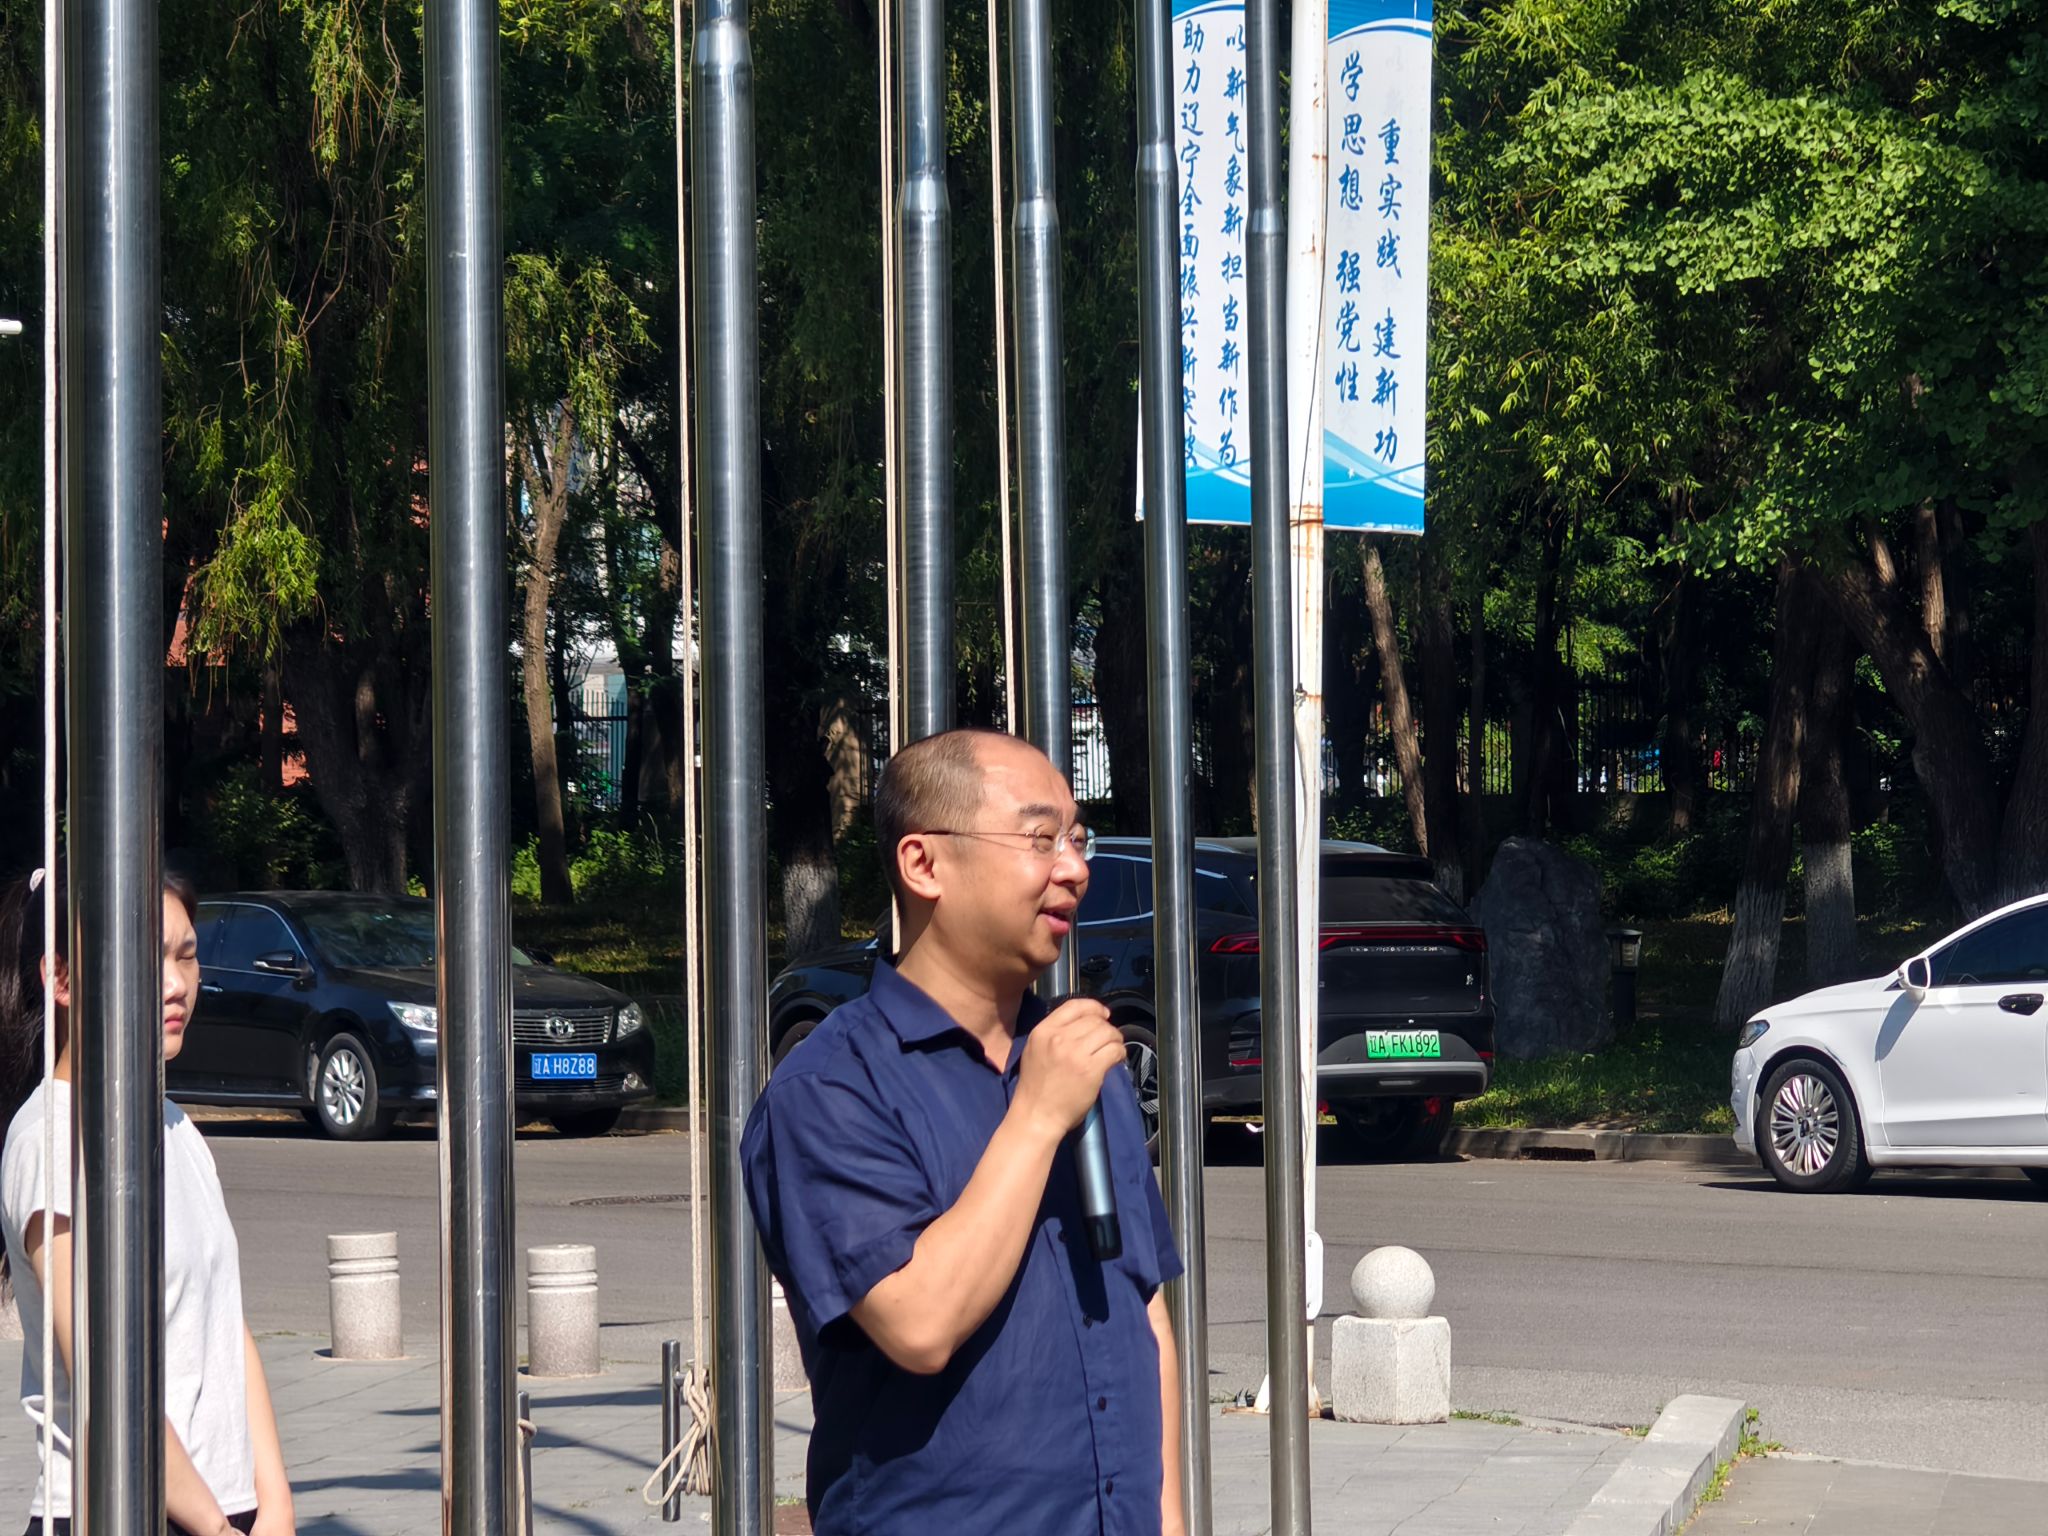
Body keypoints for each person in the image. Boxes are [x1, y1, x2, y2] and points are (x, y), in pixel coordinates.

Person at [743, 728, 1184, 1536]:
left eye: (1077, 838)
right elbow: (919, 1323)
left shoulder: (1079, 1057)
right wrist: (1037, 1116)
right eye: (1039, 838)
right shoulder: (832, 1086)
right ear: (923, 864)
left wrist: (1170, 1520)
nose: (1074, 868)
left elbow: (1142, 1308)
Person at [0, 868, 295, 1536]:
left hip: (222, 1507)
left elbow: (228, 1326)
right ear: (61, 979)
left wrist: (275, 1502)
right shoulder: (50, 1139)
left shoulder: (174, 1124)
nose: (175, 984)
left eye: (186, 956)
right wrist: (214, 1527)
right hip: (116, 1509)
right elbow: (105, 1373)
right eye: (145, 958)